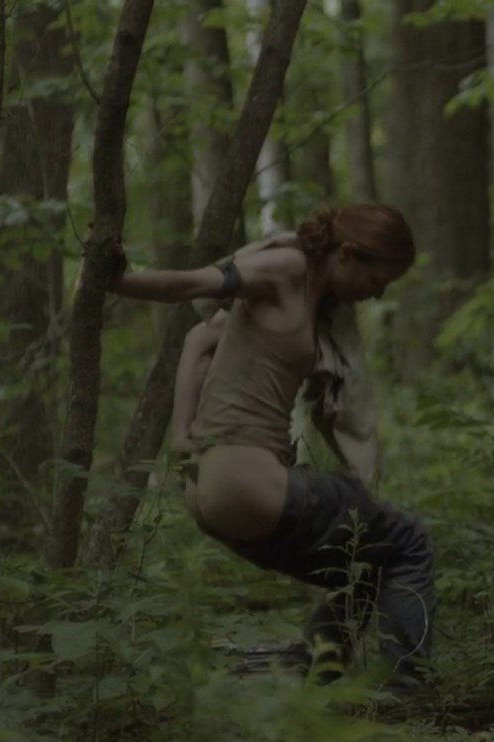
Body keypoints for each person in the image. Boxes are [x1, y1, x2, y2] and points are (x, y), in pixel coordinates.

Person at [110, 203, 435, 701]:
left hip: (216, 493)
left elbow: (201, 338)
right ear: (347, 254)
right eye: (377, 280)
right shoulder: (285, 268)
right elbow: (195, 285)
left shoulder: (311, 299)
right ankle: (405, 695)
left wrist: (183, 439)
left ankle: (313, 678)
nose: (378, 294)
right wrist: (120, 280)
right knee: (408, 541)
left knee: (364, 560)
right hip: (246, 480)